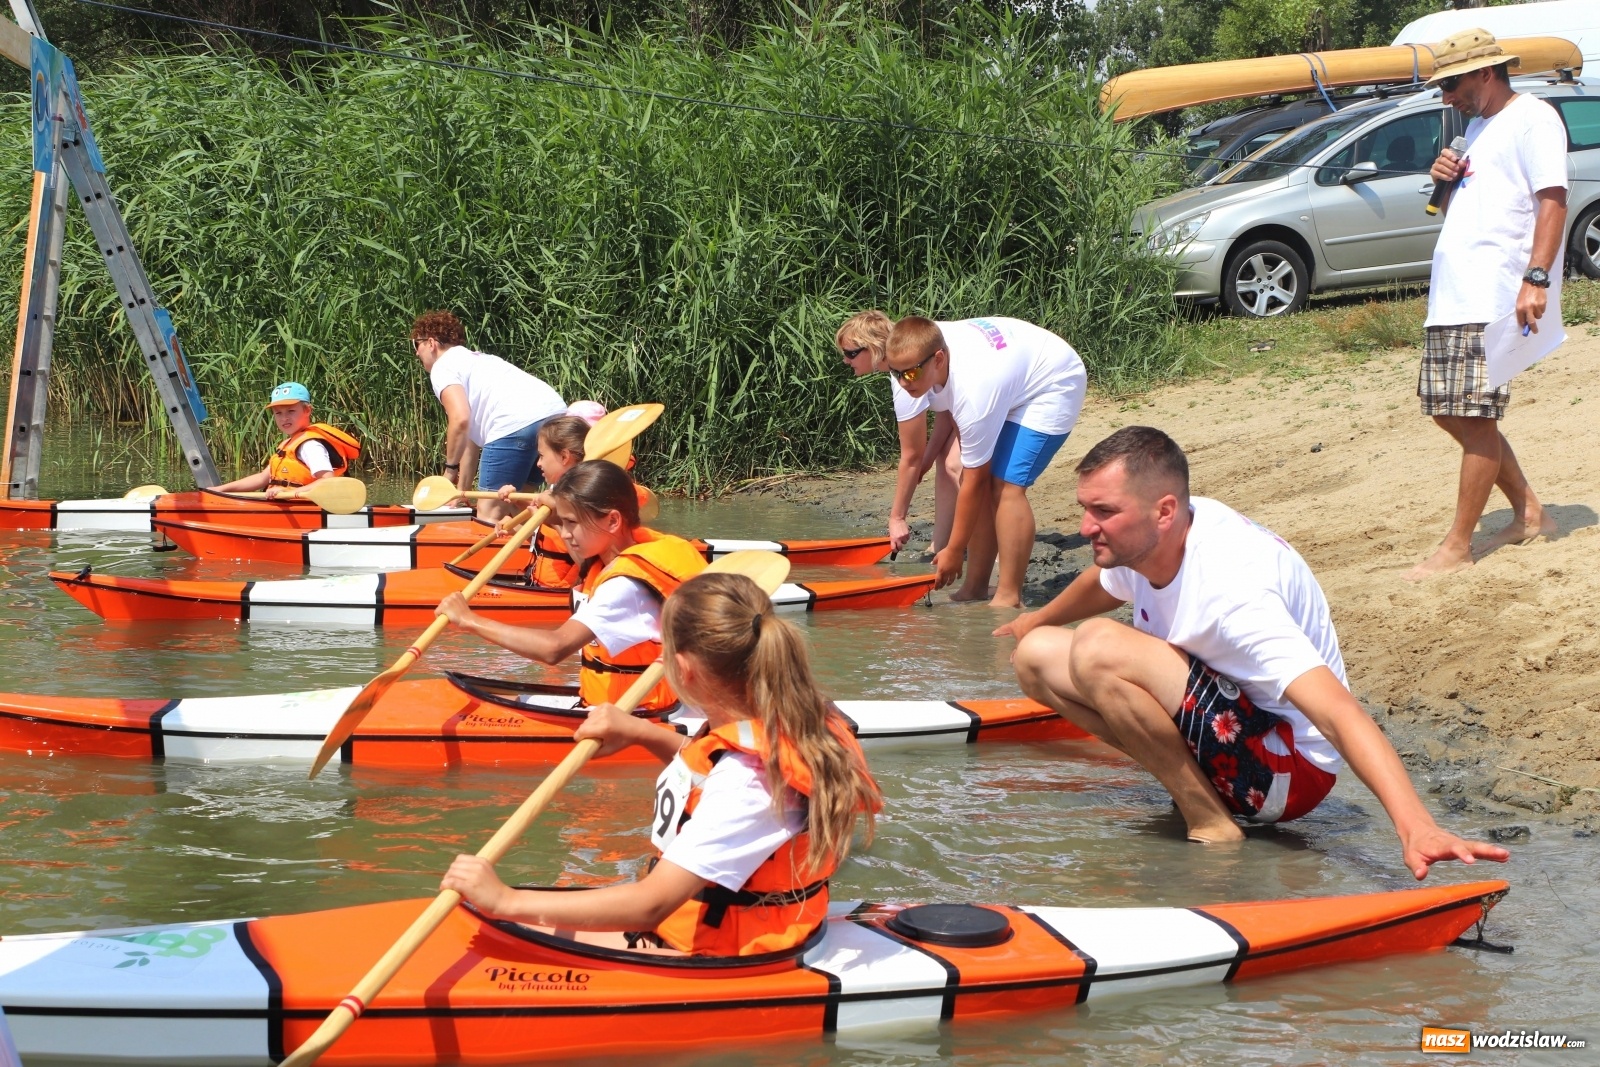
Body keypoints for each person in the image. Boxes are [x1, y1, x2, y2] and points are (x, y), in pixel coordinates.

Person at [996, 426, 1510, 879]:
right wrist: (1034, 620)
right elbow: (1106, 582)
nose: (1086, 527)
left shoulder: (1235, 592)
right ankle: (1195, 788)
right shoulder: (1162, 532)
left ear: (1165, 511)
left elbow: (1338, 713)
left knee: (1098, 644)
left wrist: (1416, 827)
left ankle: (1211, 822)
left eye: (1103, 512)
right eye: (1086, 508)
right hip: (1232, 727)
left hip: (1289, 774)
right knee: (1037, 655)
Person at [441, 569, 882, 955]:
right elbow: (714, 772)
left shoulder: (747, 782)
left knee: (495, 920)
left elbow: (653, 902)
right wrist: (640, 732)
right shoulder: (790, 715)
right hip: (741, 923)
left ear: (683, 670)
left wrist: (506, 901)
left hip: (722, 948)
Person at [1408, 29, 1567, 580]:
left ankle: (1457, 545)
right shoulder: (1476, 128)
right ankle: (1529, 513)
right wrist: (1443, 182)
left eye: (1450, 83)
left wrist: (1537, 278)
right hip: (1453, 293)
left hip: (1493, 292)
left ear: (1485, 72)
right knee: (1446, 408)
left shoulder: (1534, 118)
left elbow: (1553, 200)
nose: (1446, 95)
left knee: (1474, 417)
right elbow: (1466, 207)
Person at [437, 460, 705, 713]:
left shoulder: (623, 588)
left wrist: (469, 620)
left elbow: (553, 648)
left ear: (613, 520)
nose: (564, 533)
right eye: (562, 522)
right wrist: (556, 514)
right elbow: (586, 554)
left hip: (636, 713)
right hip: (620, 705)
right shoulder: (621, 550)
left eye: (571, 523)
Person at [883, 316, 1087, 607]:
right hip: (1011, 369)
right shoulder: (916, 355)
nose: (903, 382)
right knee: (978, 479)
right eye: (895, 372)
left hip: (1052, 382)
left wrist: (954, 550)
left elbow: (975, 480)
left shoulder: (974, 391)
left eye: (910, 375)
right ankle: (976, 587)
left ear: (938, 359)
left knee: (1004, 486)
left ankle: (1008, 595)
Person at [411, 310, 566, 522]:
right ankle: (543, 549)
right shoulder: (477, 360)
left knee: (489, 514)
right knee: (520, 509)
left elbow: (460, 419)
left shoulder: (442, 367)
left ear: (431, 343)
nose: (417, 354)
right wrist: (461, 492)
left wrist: (449, 470)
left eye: (416, 345)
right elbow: (470, 440)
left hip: (515, 423)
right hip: (555, 416)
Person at [835, 311, 963, 556]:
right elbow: (946, 415)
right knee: (945, 460)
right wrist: (925, 464)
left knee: (956, 464)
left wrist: (897, 518)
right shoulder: (908, 362)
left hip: (1015, 386)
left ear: (874, 349)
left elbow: (911, 456)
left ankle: (995, 548)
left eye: (851, 353)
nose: (846, 361)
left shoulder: (905, 375)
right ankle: (940, 545)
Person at [212, 382, 361, 498]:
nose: (284, 418)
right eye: (278, 413)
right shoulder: (288, 444)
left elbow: (328, 482)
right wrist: (221, 489)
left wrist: (287, 493)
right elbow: (262, 478)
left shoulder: (310, 445)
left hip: (303, 509)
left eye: (291, 411)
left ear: (307, 410)